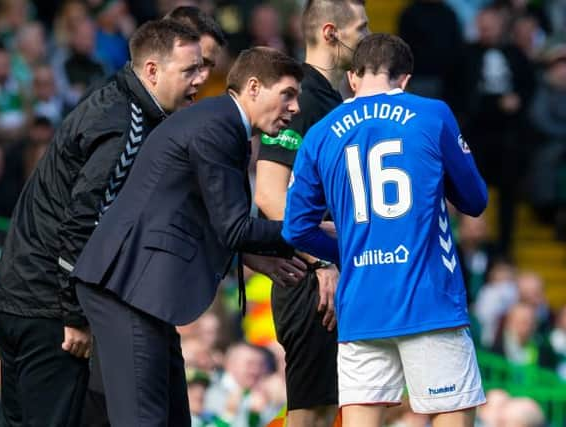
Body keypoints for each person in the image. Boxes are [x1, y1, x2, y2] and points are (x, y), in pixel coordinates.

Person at [0, 20, 205, 427]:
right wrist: (74, 315)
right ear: (153, 71)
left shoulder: (114, 97)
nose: (202, 78)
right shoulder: (125, 125)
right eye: (190, 70)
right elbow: (82, 220)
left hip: (14, 294)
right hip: (46, 308)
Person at [70, 47, 304, 426]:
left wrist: (247, 255)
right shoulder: (219, 126)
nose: (294, 107)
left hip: (142, 290)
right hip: (128, 288)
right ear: (255, 87)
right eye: (288, 94)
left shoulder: (221, 123)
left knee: (169, 418)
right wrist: (315, 231)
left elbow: (202, 220)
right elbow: (235, 227)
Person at [283, 34, 488, 427]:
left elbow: (296, 229)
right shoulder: (432, 115)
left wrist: (347, 253)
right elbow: (475, 200)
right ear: (405, 79)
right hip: (429, 300)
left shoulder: (322, 132)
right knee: (451, 414)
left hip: (361, 305)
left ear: (352, 78)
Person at [254, 0, 368, 425]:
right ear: (329, 32)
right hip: (308, 280)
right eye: (361, 27)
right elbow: (268, 194)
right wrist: (319, 258)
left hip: (330, 274)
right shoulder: (300, 95)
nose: (367, 38)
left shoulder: (333, 100)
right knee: (310, 415)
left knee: (327, 411)